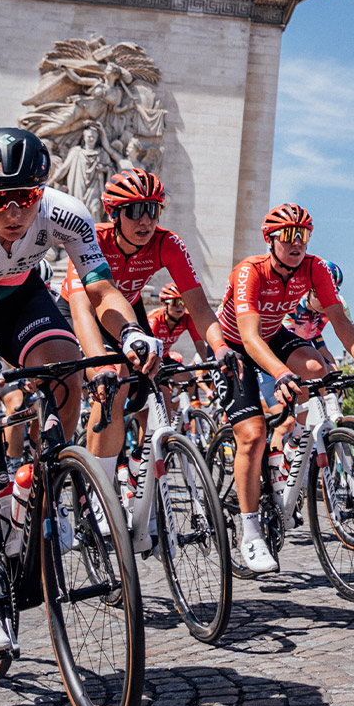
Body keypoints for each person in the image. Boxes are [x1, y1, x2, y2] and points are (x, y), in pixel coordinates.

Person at [0, 128, 143, 660]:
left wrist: (129, 332)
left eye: (26, 198)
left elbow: (100, 289)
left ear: (42, 191)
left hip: (19, 301)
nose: (14, 213)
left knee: (69, 372)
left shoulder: (66, 212)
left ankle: (40, 484)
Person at [213, 204, 354, 574]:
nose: (298, 244)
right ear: (271, 240)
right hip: (236, 345)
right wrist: (279, 374)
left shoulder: (315, 268)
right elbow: (248, 336)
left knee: (318, 370)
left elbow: (340, 321)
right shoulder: (250, 271)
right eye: (289, 236)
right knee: (250, 434)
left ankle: (289, 443)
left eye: (304, 236)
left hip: (274, 335)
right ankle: (250, 532)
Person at [61, 169, 214, 486]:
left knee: (151, 383)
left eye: (153, 210)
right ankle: (99, 493)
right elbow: (83, 312)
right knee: (113, 381)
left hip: (126, 309)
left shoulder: (166, 243)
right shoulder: (92, 241)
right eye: (133, 211)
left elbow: (199, 306)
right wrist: (96, 368)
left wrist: (221, 351)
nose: (145, 220)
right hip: (80, 310)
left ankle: (130, 464)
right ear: (113, 214)